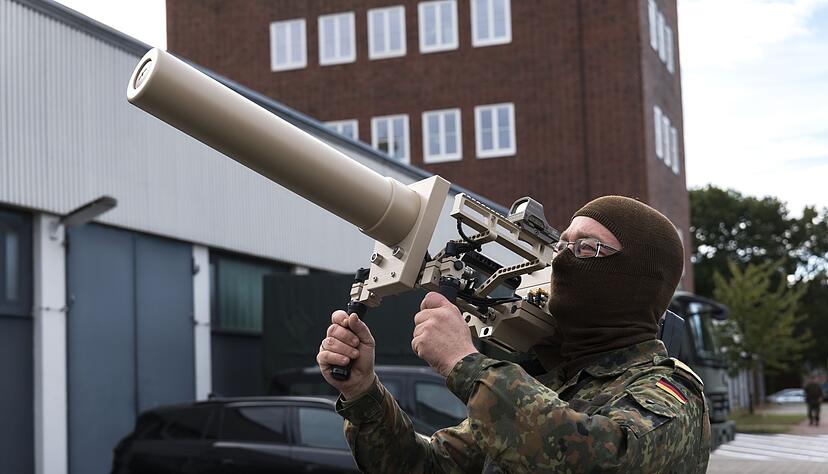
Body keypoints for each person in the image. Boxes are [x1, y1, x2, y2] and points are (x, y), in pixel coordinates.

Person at [317, 196, 710, 473]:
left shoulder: (668, 392)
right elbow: (427, 466)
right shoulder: (550, 382)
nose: (562, 259)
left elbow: (598, 463)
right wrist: (363, 392)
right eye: (563, 244)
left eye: (587, 248)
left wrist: (465, 363)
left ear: (639, 281)